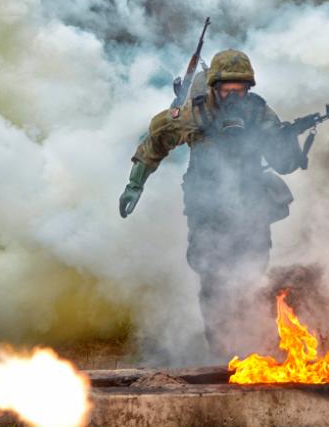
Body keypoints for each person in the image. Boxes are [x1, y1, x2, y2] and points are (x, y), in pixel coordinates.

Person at [119, 49, 303, 356]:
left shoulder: (258, 112)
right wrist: (134, 184)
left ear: (249, 89)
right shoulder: (195, 113)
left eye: (240, 90)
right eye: (228, 89)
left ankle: (255, 345)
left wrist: (290, 141)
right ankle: (221, 350)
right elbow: (156, 141)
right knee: (212, 277)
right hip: (207, 207)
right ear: (215, 87)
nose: (234, 96)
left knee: (253, 276)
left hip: (251, 207)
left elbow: (283, 163)